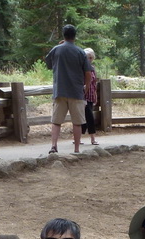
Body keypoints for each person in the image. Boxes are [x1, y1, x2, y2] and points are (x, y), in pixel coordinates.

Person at [44, 24, 92, 154]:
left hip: (60, 90)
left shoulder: (56, 49)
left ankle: (54, 146)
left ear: (64, 35)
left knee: (56, 121)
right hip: (76, 91)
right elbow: (88, 73)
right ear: (74, 36)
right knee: (77, 122)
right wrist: (86, 87)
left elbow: (48, 63)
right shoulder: (80, 52)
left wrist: (59, 46)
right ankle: (76, 149)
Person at [80, 48, 99, 146]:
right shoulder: (81, 68)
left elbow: (94, 84)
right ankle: (92, 138)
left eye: (91, 57)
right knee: (87, 116)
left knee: (86, 116)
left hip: (91, 95)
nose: (90, 59)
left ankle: (80, 137)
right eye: (88, 57)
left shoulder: (92, 68)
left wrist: (95, 96)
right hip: (83, 96)